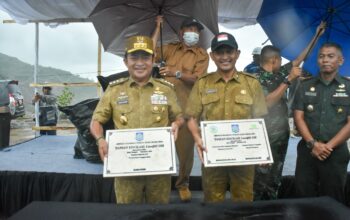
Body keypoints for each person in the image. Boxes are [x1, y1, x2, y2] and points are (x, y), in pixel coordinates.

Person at [90, 35, 184, 204]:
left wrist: (177, 123)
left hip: (159, 168)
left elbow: (179, 116)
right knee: (128, 213)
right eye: (134, 57)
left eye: (145, 57)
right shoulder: (114, 90)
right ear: (126, 61)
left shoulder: (166, 90)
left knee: (158, 213)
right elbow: (96, 121)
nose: (140, 63)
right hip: (126, 171)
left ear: (153, 60)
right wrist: (100, 139)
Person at [186, 32, 268, 202]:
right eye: (219, 52)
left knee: (243, 201)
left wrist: (262, 150)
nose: (224, 57)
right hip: (212, 154)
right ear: (212, 56)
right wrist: (197, 138)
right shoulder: (202, 83)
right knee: (213, 202)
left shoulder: (251, 83)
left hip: (245, 157)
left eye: (229, 52)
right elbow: (192, 117)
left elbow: (260, 119)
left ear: (237, 54)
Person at [253, 22, 326, 200]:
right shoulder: (255, 79)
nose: (283, 63)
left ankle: (272, 210)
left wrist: (316, 36)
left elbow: (300, 58)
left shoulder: (278, 73)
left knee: (274, 181)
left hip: (280, 138)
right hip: (263, 139)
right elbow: (266, 103)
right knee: (259, 182)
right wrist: (289, 80)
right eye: (280, 60)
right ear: (274, 61)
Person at [151, 16, 209, 201]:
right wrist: (158, 27)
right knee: (158, 147)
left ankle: (183, 184)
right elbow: (150, 52)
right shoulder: (169, 48)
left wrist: (175, 73)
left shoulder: (202, 54)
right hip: (161, 108)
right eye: (189, 29)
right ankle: (158, 182)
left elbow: (199, 80)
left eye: (196, 30)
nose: (193, 33)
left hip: (186, 110)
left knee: (185, 151)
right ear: (181, 32)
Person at [292, 42, 350, 204]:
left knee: (333, 200)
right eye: (321, 56)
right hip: (307, 152)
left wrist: (328, 146)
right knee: (304, 197)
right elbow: (298, 117)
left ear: (340, 60)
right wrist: (313, 144)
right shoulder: (304, 86)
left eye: (331, 56)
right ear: (317, 60)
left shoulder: (348, 87)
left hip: (336, 153)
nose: (325, 60)